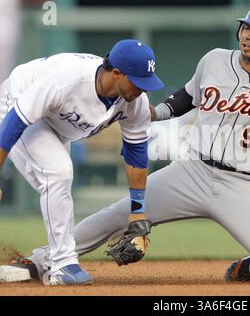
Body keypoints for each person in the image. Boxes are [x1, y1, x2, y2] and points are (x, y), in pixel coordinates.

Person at [0, 4, 250, 284]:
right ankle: (43, 260)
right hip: (192, 170)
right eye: (246, 27)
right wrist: (149, 114)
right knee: (118, 214)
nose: (248, 35)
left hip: (244, 184)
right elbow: (184, 99)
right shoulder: (215, 60)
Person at [0, 39, 164, 285]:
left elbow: (137, 152)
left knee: (57, 182)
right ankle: (63, 264)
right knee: (58, 173)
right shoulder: (67, 80)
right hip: (16, 103)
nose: (142, 90)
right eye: (138, 82)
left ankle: (49, 259)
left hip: (57, 123)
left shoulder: (134, 103)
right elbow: (15, 122)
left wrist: (137, 212)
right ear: (117, 73)